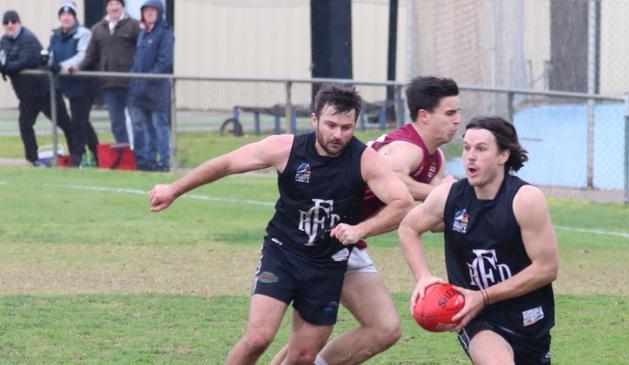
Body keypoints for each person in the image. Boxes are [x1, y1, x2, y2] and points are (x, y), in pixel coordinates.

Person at [149, 84, 415, 365]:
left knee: (303, 357)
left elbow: (403, 203)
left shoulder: (364, 160)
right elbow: (226, 164)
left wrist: (360, 230)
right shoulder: (286, 149)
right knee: (257, 339)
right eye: (331, 125)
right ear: (314, 119)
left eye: (346, 127)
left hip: (327, 265)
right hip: (282, 254)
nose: (338, 135)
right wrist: (174, 189)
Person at [271, 76, 461, 365]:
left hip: (349, 239)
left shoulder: (434, 159)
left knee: (357, 331)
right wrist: (443, 192)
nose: (457, 120)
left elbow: (426, 218)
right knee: (376, 328)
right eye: (450, 113)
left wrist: (463, 211)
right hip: (325, 239)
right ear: (424, 115)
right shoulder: (408, 149)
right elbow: (397, 183)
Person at [398, 116, 558, 365]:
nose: (470, 156)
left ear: (503, 156)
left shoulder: (525, 199)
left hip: (528, 318)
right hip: (476, 317)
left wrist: (483, 295)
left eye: (481, 149)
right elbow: (408, 227)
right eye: (466, 147)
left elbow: (546, 269)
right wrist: (423, 276)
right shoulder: (449, 196)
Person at [0, 9, 80, 166]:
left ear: (19, 23)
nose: (10, 25)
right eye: (6, 22)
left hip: (45, 91)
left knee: (65, 124)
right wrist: (7, 66)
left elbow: (24, 62)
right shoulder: (4, 40)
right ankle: (33, 159)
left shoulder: (28, 39)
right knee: (25, 125)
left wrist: (6, 67)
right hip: (26, 95)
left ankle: (77, 157)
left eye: (13, 22)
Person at [70, 0, 139, 144]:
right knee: (116, 124)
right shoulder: (97, 29)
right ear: (106, 7)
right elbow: (90, 55)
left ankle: (141, 157)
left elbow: (141, 52)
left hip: (131, 84)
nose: (114, 8)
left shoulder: (134, 26)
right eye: (111, 4)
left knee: (137, 122)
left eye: (117, 4)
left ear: (122, 6)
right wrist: (78, 67)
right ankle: (124, 155)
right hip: (109, 85)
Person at [48, 0, 99, 164]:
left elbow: (82, 56)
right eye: (63, 14)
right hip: (68, 85)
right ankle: (96, 152)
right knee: (82, 121)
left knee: (79, 121)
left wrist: (60, 66)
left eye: (69, 14)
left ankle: (78, 156)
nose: (66, 17)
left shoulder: (83, 33)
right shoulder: (55, 35)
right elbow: (50, 54)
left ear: (74, 16)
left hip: (83, 85)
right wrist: (47, 61)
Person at [128, 0, 174, 171]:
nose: (149, 13)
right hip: (139, 91)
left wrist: (147, 78)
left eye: (152, 10)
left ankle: (163, 162)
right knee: (144, 127)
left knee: (159, 125)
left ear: (159, 12)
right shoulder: (142, 33)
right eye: (146, 10)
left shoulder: (165, 33)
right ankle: (148, 160)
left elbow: (165, 61)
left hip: (157, 90)